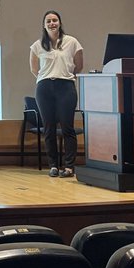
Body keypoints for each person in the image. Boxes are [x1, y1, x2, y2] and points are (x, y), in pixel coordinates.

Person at [29, 10, 84, 178]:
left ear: (59, 23)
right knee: (49, 128)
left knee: (67, 127)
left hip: (65, 86)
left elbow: (79, 65)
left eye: (55, 20)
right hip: (44, 88)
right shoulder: (37, 45)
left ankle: (69, 167)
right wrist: (46, 77)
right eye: (48, 21)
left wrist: (66, 77)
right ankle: (53, 165)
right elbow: (34, 69)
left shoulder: (71, 41)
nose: (52, 23)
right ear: (44, 25)